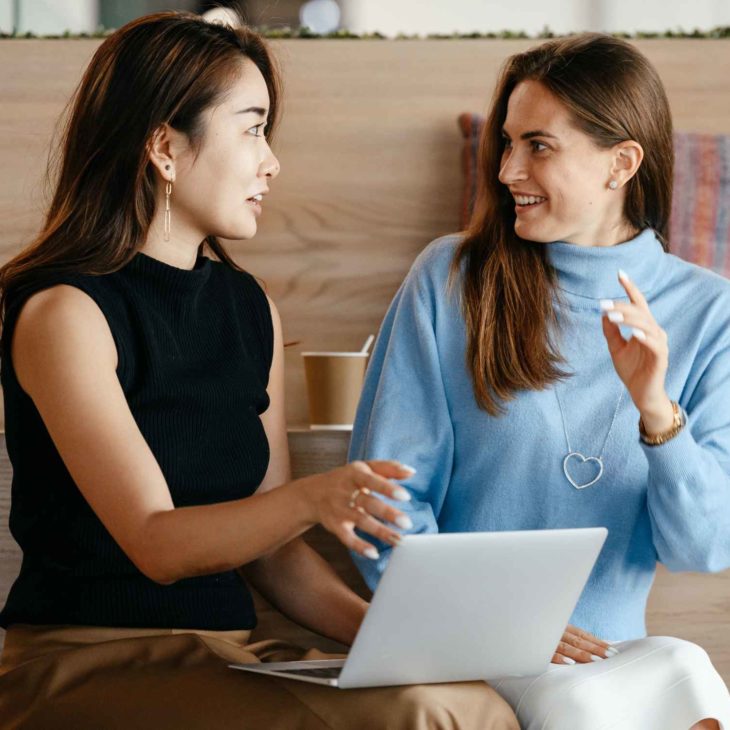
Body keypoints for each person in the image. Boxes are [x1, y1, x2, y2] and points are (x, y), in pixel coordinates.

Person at [0, 12, 519, 729]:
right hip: (85, 660)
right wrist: (313, 499)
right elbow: (157, 543)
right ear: (164, 147)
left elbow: (277, 562)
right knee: (425, 717)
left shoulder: (249, 309)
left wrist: (422, 646)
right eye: (252, 129)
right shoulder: (66, 314)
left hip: (226, 654)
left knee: (472, 701)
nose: (271, 161)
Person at [349, 33, 730, 730]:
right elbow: (384, 503)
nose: (505, 170)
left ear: (622, 163)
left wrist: (654, 408)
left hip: (613, 652)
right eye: (506, 143)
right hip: (471, 647)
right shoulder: (450, 280)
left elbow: (704, 545)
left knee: (690, 673)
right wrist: (493, 624)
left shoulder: (711, 312)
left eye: (538, 146)